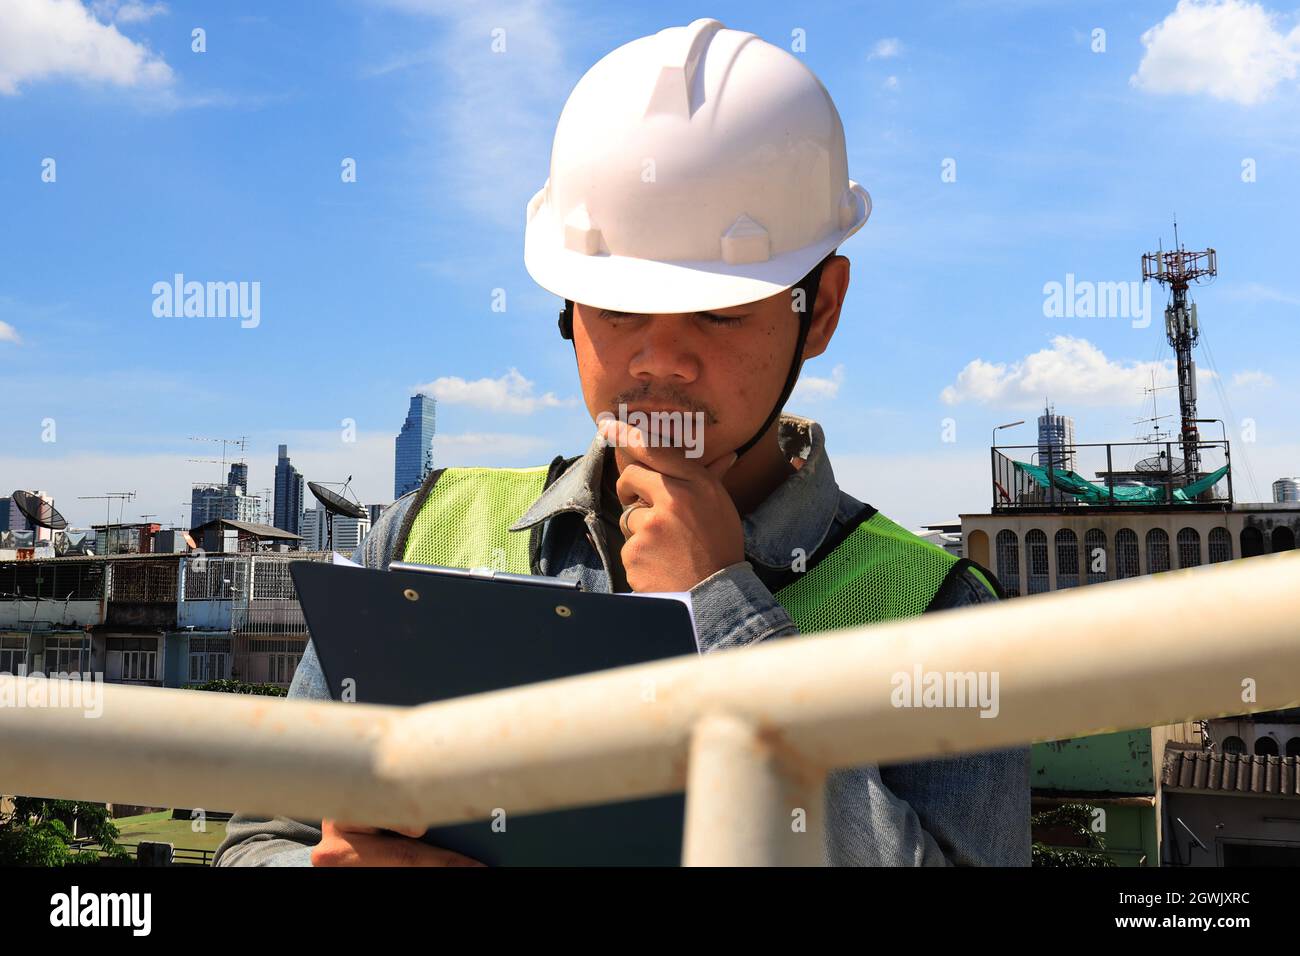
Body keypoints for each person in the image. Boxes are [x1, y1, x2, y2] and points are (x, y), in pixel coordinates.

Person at [216, 17, 1029, 867]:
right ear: (566, 309)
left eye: (720, 311)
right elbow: (261, 840)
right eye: (616, 307)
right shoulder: (421, 535)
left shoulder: (936, 615)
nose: (659, 361)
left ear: (819, 308)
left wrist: (723, 616)